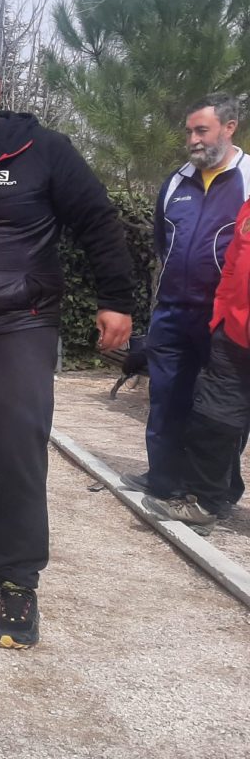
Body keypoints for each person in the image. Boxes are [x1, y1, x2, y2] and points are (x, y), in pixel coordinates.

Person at [0, 45, 134, 648]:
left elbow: (98, 221)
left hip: (19, 324)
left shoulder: (44, 150)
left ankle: (19, 583)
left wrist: (116, 299)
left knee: (14, 451)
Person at [124, 94, 249, 509]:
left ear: (229, 128)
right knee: (166, 396)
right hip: (174, 310)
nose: (193, 140)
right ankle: (162, 479)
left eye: (202, 130)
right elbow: (164, 244)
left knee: (216, 409)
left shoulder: (248, 177)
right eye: (189, 132)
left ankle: (213, 490)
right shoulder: (176, 182)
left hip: (223, 318)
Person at [148, 199, 250, 528]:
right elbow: (234, 262)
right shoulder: (248, 208)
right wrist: (220, 314)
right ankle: (204, 503)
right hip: (233, 336)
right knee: (213, 421)